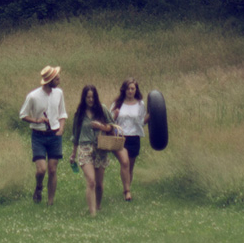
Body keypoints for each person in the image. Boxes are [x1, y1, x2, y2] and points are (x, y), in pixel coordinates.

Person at [69, 83, 121, 216]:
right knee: (91, 181)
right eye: (88, 97)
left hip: (100, 148)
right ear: (84, 98)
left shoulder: (102, 109)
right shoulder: (79, 113)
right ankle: (92, 213)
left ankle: (98, 205)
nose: (90, 100)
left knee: (99, 184)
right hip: (85, 148)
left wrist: (101, 126)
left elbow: (112, 126)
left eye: (92, 97)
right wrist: (73, 154)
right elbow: (75, 135)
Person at [19, 65, 67, 204]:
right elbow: (23, 114)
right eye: (56, 78)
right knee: (41, 170)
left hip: (55, 135)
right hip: (38, 135)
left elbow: (62, 113)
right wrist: (36, 120)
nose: (59, 80)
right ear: (49, 80)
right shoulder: (33, 96)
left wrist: (61, 128)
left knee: (52, 169)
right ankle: (39, 186)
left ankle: (50, 201)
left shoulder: (59, 93)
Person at [111, 77, 149, 202]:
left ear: (136, 90)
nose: (130, 91)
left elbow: (141, 122)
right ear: (124, 90)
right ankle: (127, 192)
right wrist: (114, 115)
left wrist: (151, 116)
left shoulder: (140, 104)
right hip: (120, 137)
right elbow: (109, 121)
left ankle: (127, 187)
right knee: (125, 162)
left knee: (130, 167)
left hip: (134, 137)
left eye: (132, 88)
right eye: (128, 88)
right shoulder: (117, 104)